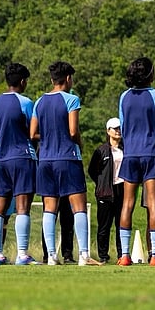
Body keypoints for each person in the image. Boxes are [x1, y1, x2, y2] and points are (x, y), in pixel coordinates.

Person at [31, 61, 99, 266]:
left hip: (45, 159)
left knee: (49, 209)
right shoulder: (71, 99)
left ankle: (51, 255)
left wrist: (50, 135)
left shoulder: (39, 102)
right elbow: (72, 130)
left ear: (52, 79)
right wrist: (80, 142)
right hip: (67, 157)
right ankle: (84, 255)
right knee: (78, 207)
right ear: (68, 78)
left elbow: (32, 133)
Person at [116, 57, 155, 266]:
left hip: (130, 154)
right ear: (149, 74)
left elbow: (123, 125)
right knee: (152, 203)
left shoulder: (124, 97)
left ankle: (123, 256)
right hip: (151, 153)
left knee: (127, 204)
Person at [0, 63, 38, 265]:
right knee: (22, 207)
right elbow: (32, 132)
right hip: (22, 156)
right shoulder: (26, 102)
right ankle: (22, 254)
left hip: (1, 159)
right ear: (23, 81)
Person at [87, 118, 124, 264]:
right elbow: (92, 170)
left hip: (122, 190)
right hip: (105, 192)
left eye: (119, 128)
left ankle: (123, 254)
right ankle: (103, 255)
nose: (118, 131)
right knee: (104, 225)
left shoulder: (125, 149)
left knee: (121, 224)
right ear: (108, 131)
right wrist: (101, 183)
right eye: (114, 128)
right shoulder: (101, 150)